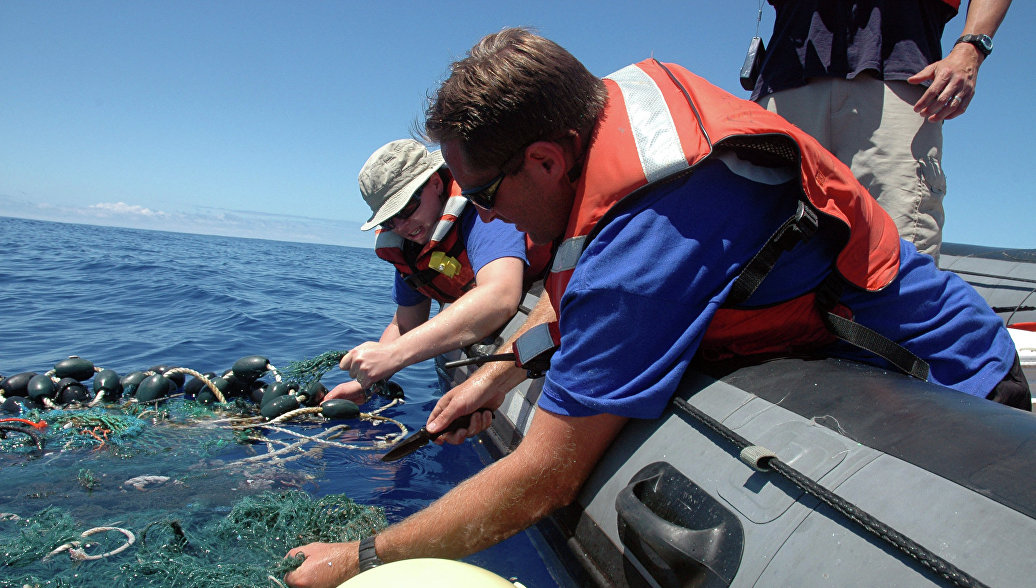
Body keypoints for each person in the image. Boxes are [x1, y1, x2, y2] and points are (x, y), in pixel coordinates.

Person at [284, 29, 1028, 587]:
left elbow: (546, 476)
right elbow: (592, 313)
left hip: (946, 392)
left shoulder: (646, 244)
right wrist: (506, 369)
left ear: (545, 158)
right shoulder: (604, 120)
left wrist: (361, 558)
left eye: (481, 196)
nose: (483, 216)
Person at [750, 0, 1012, 264]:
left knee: (897, 256)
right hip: (784, 82)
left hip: (900, 77)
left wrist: (972, 48)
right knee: (761, 253)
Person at [323, 139, 547, 404]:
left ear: (436, 184)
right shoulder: (412, 249)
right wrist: (366, 382)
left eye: (406, 208)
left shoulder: (481, 211)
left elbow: (500, 296)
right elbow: (405, 323)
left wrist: (394, 355)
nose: (402, 225)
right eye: (389, 220)